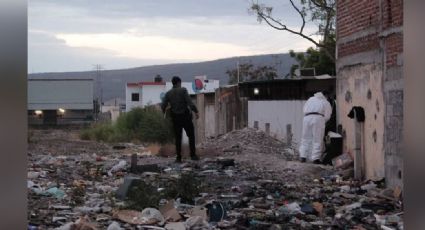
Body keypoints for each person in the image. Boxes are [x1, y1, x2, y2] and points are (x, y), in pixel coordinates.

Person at [161, 76, 200, 163]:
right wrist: (196, 111)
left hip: (175, 118)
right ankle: (193, 155)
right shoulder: (183, 90)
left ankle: (178, 158)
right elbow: (190, 103)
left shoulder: (168, 93)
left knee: (178, 138)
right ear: (179, 82)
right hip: (185, 117)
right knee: (191, 135)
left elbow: (163, 106)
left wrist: (164, 113)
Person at [299, 91, 332, 164]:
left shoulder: (310, 99)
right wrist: (323, 121)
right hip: (318, 118)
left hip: (306, 118)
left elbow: (304, 109)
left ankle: (302, 156)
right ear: (325, 95)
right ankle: (315, 158)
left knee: (305, 138)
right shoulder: (325, 102)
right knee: (317, 139)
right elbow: (327, 115)